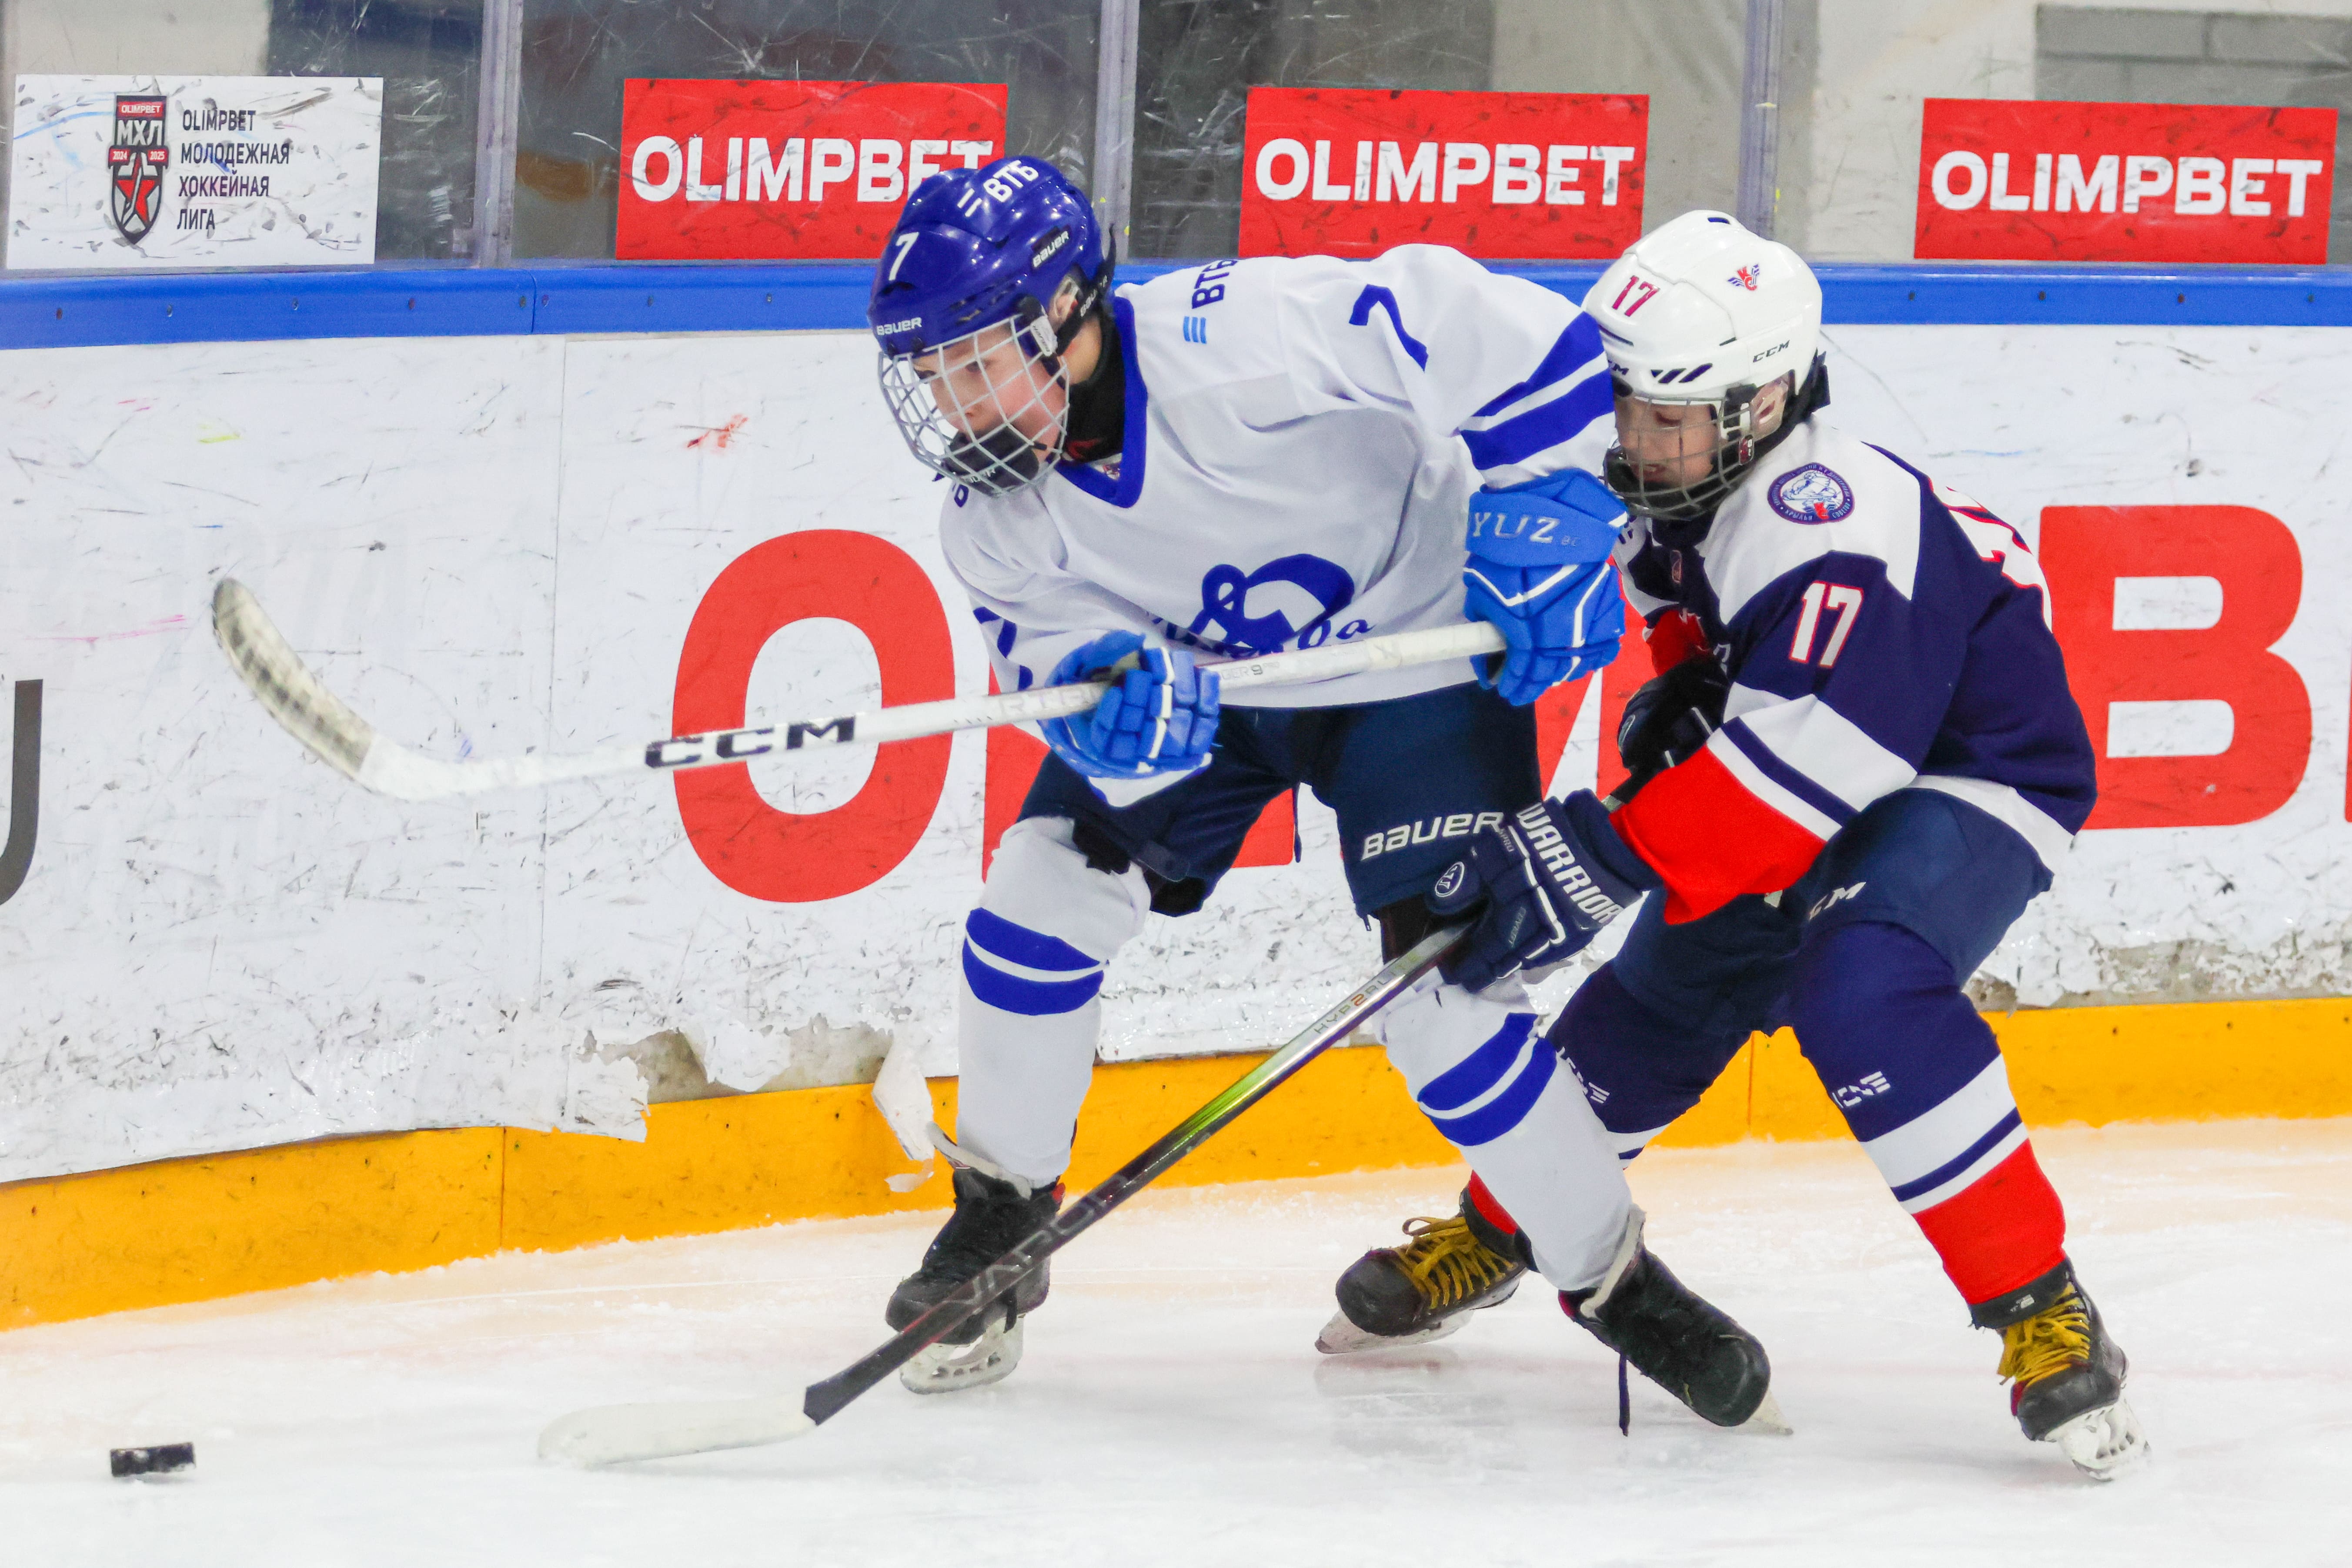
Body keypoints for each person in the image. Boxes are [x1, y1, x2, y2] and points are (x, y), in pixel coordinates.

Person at [861, 154, 1776, 1429]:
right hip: (1219, 694)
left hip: (1416, 660)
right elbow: (1054, 652)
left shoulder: (1245, 340)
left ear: (1069, 312)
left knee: (1443, 1001)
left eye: (980, 359)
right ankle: (1000, 1218)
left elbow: (1530, 349)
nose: (957, 405)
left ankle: (1610, 1276)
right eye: (935, 374)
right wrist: (1115, 690)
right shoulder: (992, 513)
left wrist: (1555, 502)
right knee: (1035, 903)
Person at [1333, 209, 2146, 1479]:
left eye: (1676, 417)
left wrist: (1593, 851)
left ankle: (2041, 1308)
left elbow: (1812, 773)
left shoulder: (1830, 518)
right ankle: (1509, 1224)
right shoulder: (1680, 487)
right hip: (1816, 764)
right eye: (1631, 407)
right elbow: (1702, 642)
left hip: (1961, 775)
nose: (1642, 442)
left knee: (1862, 984)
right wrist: (1690, 690)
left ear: (1769, 400)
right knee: (1654, 1000)